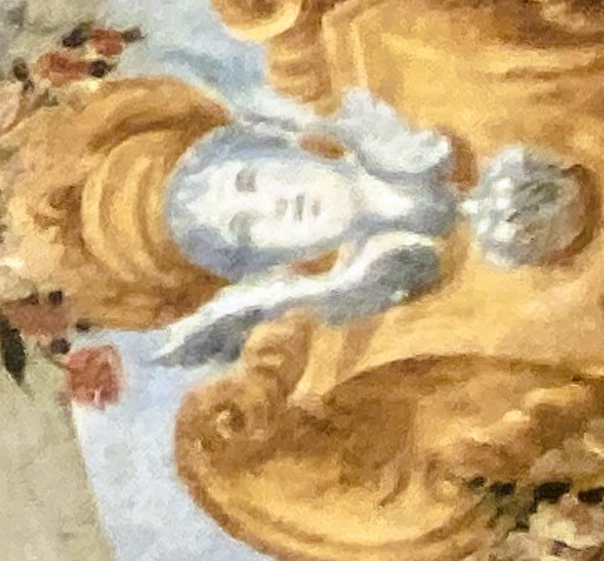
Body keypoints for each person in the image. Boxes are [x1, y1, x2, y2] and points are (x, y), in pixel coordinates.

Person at [157, 82, 587, 370]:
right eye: (247, 228)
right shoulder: (373, 278)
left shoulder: (387, 127)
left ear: (286, 147)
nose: (275, 204)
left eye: (250, 179)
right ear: (278, 259)